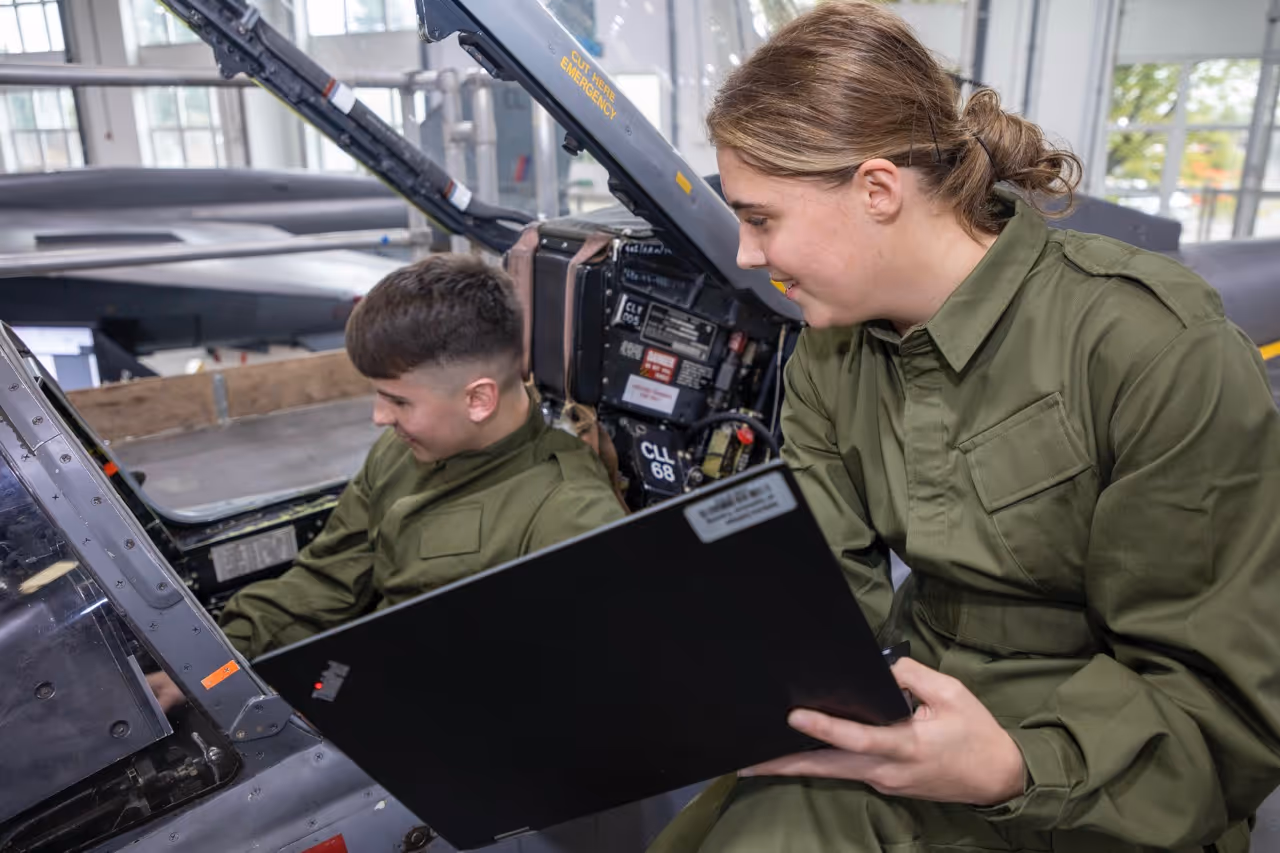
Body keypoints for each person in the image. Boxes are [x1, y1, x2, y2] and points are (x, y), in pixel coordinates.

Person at [649, 2, 1280, 852]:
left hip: (1106, 772)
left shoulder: (1148, 348)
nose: (748, 257)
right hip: (915, 717)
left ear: (877, 189)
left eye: (761, 218)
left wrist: (1015, 767)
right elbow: (822, 589)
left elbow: (1225, 709)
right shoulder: (831, 357)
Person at [150, 254, 626, 709]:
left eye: (398, 401)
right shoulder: (403, 451)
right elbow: (328, 579)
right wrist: (207, 673)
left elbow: (566, 692)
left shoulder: (569, 515)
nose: (380, 417)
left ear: (478, 400)